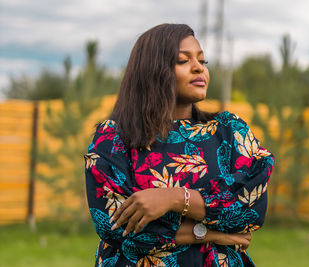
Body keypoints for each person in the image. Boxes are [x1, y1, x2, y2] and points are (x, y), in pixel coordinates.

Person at [84, 23, 275, 267]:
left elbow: (250, 207)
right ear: (153, 69)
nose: (198, 68)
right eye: (183, 61)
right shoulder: (113, 138)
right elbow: (118, 229)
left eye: (202, 61)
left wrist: (174, 198)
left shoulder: (228, 131)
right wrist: (212, 233)